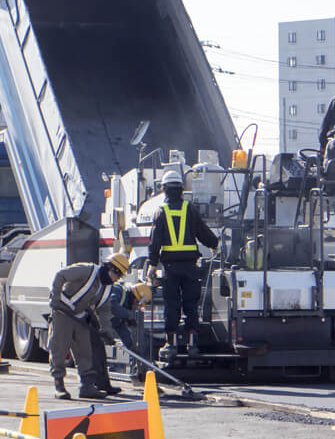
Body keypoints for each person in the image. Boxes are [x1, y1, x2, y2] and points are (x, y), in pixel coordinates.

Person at [146, 170, 218, 360]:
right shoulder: (190, 209)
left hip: (170, 268)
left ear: (164, 189)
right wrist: (214, 244)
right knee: (191, 305)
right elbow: (202, 231)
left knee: (172, 305)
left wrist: (152, 264)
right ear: (181, 189)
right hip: (190, 266)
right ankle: (193, 346)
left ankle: (171, 345)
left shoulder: (161, 211)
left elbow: (155, 241)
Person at [48, 252, 129, 399]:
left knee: (85, 353)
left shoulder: (107, 287)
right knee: (59, 349)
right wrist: (55, 296)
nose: (117, 279)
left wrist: (106, 330)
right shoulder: (87, 270)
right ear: (110, 268)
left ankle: (87, 387)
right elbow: (60, 275)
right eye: (117, 275)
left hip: (80, 317)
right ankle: (59, 386)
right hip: (63, 313)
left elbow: (104, 309)